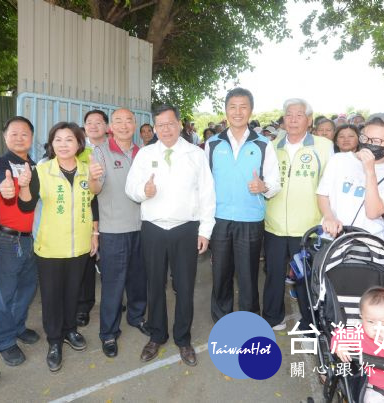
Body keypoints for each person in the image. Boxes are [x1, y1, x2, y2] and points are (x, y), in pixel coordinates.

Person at [125, 104, 215, 366]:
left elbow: (207, 194)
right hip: (153, 228)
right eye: (160, 125)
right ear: (154, 128)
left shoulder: (194, 155)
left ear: (179, 125)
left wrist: (205, 231)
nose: (165, 129)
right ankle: (157, 335)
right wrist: (144, 191)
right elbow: (131, 188)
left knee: (185, 286)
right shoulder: (145, 153)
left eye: (170, 123)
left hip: (185, 228)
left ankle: (183, 338)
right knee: (154, 284)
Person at [18, 122, 98, 372]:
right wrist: (22, 185)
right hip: (50, 246)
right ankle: (54, 341)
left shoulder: (86, 169)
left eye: (69, 139)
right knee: (52, 297)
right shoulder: (41, 170)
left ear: (78, 144)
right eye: (58, 140)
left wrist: (95, 233)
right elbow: (26, 206)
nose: (63, 144)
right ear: (52, 144)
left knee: (73, 293)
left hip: (79, 245)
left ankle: (70, 330)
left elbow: (93, 201)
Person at [205, 88, 280, 323]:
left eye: (243, 107)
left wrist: (263, 187)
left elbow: (275, 182)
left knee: (248, 276)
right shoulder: (213, 144)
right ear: (226, 110)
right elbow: (205, 183)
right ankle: (222, 321)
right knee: (221, 275)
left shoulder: (263, 144)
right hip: (220, 219)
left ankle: (249, 323)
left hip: (250, 219)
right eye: (233, 107)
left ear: (251, 110)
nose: (238, 112)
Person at [263, 98, 332, 331]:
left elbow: (328, 185)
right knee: (273, 273)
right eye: (289, 114)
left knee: (305, 277)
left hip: (308, 226)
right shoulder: (273, 145)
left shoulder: (323, 146)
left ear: (309, 120)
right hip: (274, 223)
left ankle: (310, 321)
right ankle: (273, 316)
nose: (292, 119)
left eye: (299, 115)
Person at [94, 108, 149, 358]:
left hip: (142, 228)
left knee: (139, 280)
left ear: (135, 124)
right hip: (113, 230)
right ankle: (108, 332)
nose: (124, 125)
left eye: (129, 120)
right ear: (110, 127)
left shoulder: (144, 153)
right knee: (113, 285)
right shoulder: (100, 152)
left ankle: (136, 317)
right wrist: (92, 180)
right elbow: (94, 188)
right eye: (118, 121)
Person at [0, 116, 40, 367]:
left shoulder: (34, 165)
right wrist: (7, 187)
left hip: (31, 239)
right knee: (3, 293)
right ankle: (4, 341)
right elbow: (3, 186)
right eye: (14, 133)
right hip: (8, 240)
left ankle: (18, 327)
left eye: (25, 134)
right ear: (5, 137)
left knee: (26, 289)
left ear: (32, 138)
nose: (19, 138)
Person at [317, 113, 384, 240]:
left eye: (377, 141)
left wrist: (370, 172)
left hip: (367, 246)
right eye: (365, 138)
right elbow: (323, 194)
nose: (369, 144)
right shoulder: (339, 159)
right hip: (330, 239)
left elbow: (373, 212)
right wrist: (328, 216)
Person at [76, 110, 108, 327]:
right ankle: (84, 305)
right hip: (86, 212)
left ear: (107, 126)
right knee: (86, 261)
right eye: (89, 122)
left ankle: (111, 300)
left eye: (98, 122)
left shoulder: (115, 148)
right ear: (84, 126)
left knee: (112, 263)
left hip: (114, 214)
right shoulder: (78, 151)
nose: (94, 126)